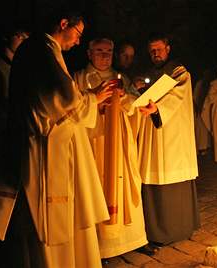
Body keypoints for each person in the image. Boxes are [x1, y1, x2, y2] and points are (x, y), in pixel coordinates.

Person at [0, 10, 114, 268]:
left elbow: (57, 95)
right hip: (45, 149)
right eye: (78, 34)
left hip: (41, 141)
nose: (77, 41)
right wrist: (92, 99)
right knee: (50, 222)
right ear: (64, 24)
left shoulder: (42, 49)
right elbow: (64, 99)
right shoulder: (41, 49)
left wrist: (85, 97)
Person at [73, 37, 148, 258]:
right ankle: (100, 248)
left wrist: (124, 98)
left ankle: (132, 240)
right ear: (89, 53)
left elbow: (133, 107)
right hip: (94, 142)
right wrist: (95, 102)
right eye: (99, 51)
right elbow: (73, 109)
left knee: (125, 186)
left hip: (120, 141)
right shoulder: (78, 77)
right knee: (96, 186)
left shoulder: (120, 77)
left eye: (108, 51)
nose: (104, 56)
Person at [136, 34, 199, 246]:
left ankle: (179, 229)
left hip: (173, 137)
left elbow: (177, 95)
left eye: (159, 49)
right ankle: (156, 231)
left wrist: (158, 109)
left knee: (173, 177)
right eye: (152, 50)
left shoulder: (179, 71)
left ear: (168, 49)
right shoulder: (146, 74)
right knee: (153, 175)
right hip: (152, 136)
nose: (156, 54)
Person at [0, 26, 29, 209]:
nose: (22, 40)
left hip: (16, 135)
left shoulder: (25, 69)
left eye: (26, 37)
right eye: (19, 35)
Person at [193, 69, 212, 155]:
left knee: (206, 129)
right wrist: (197, 106)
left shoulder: (209, 84)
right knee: (200, 130)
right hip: (200, 108)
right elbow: (196, 96)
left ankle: (206, 147)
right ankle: (201, 148)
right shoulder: (200, 84)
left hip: (206, 109)